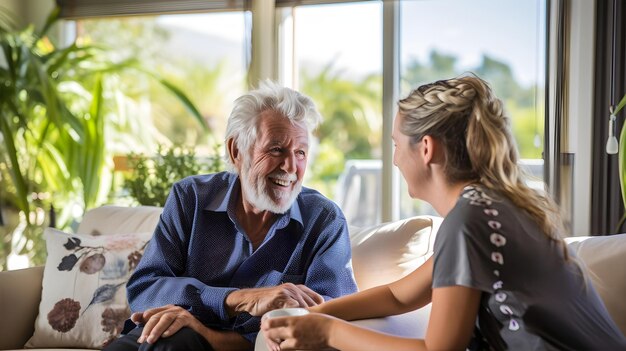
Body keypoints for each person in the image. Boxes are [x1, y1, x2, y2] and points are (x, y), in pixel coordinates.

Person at [261, 75, 626, 350]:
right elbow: (399, 295)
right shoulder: (491, 208)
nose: (393, 159)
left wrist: (328, 333)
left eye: (395, 144)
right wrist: (316, 313)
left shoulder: (471, 220)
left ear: (426, 148)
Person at [104, 81, 358, 351]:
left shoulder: (323, 221)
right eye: (276, 149)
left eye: (300, 153)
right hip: (158, 338)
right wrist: (238, 299)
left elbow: (329, 320)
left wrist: (204, 332)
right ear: (236, 151)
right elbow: (145, 289)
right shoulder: (190, 198)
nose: (290, 167)